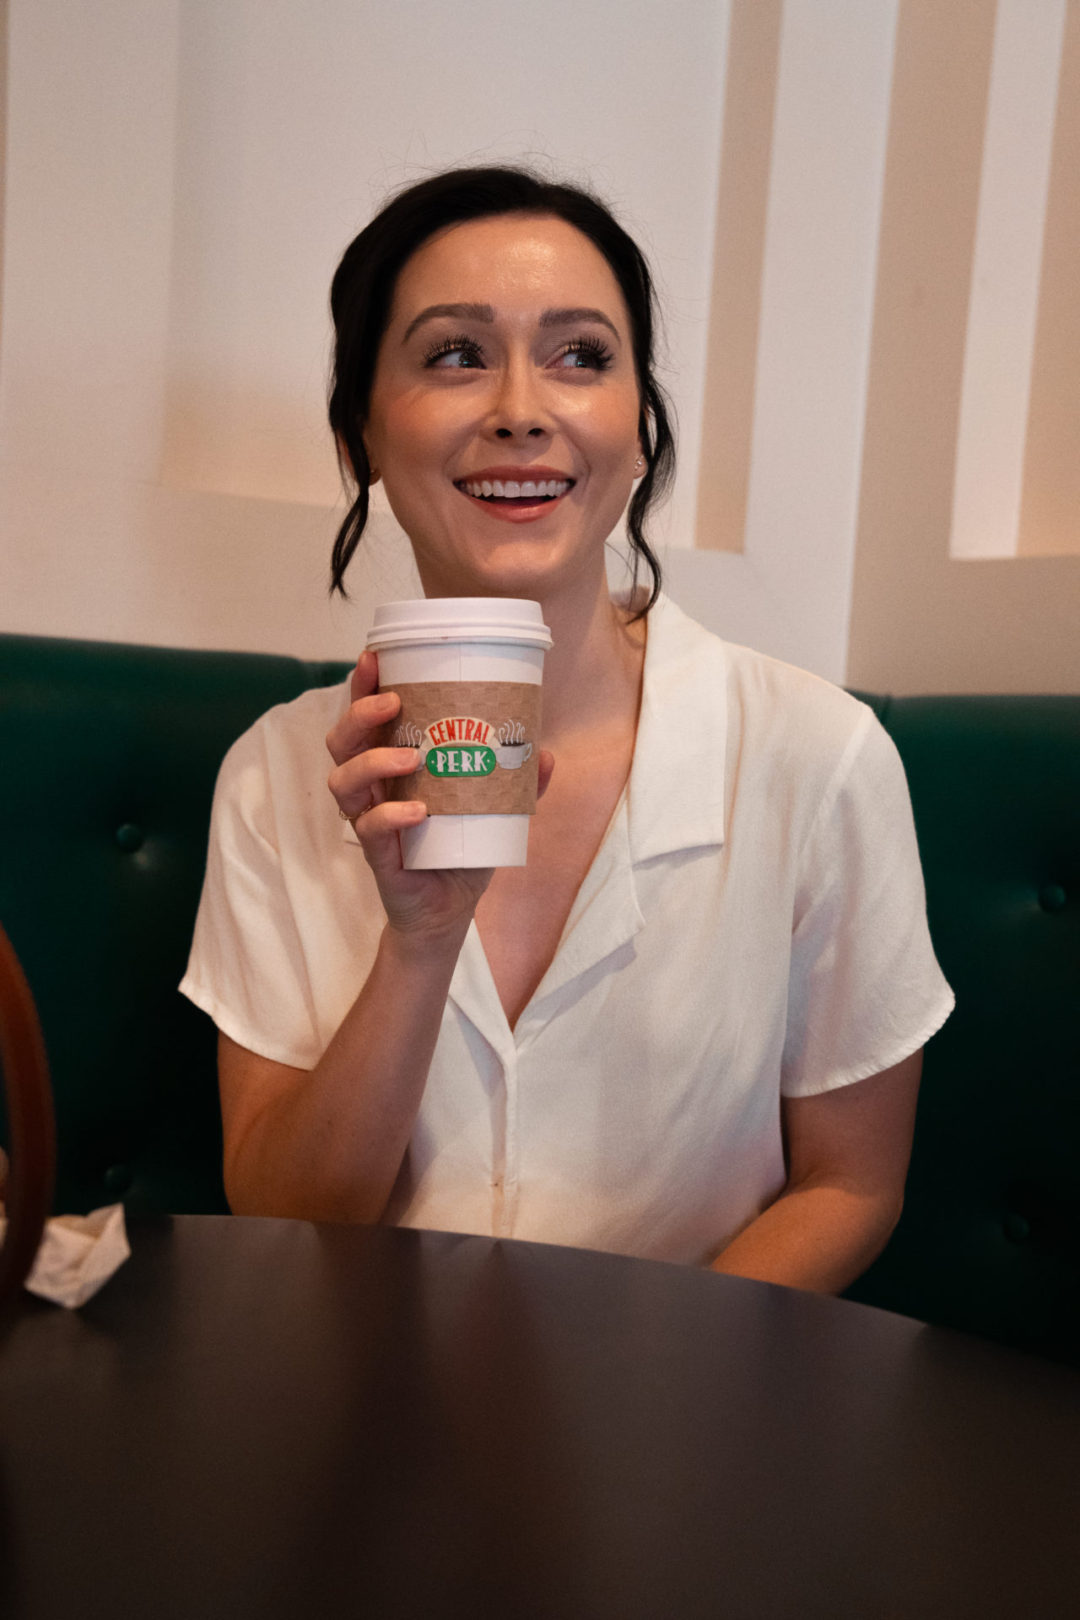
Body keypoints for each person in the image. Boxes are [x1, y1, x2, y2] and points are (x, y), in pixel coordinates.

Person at [180, 166, 954, 1292]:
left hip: (688, 1415)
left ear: (637, 432)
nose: (521, 408)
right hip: (367, 1416)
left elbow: (851, 1182)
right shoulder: (273, 773)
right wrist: (420, 939)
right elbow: (284, 1209)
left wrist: (651, 1394)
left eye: (581, 356)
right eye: (454, 353)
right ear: (358, 437)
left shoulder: (815, 757)